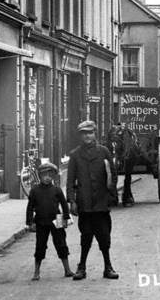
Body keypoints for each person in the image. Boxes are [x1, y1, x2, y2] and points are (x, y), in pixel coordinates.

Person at [65, 120, 119, 280]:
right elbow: (70, 180)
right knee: (86, 236)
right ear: (80, 136)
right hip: (85, 203)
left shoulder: (104, 152)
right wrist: (72, 201)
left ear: (95, 134)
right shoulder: (75, 155)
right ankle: (81, 267)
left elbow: (113, 174)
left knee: (104, 237)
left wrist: (111, 195)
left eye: (90, 133)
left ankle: (108, 267)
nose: (87, 136)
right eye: (84, 134)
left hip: (101, 203)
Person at [25, 160, 72, 280]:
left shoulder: (57, 189)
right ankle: (36, 272)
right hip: (41, 220)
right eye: (44, 175)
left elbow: (64, 204)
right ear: (39, 176)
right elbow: (30, 207)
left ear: (53, 176)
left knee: (61, 243)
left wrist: (66, 217)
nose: (47, 177)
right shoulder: (35, 190)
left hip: (58, 218)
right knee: (40, 246)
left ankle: (67, 269)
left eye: (50, 175)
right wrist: (29, 222)